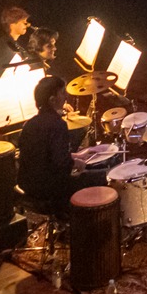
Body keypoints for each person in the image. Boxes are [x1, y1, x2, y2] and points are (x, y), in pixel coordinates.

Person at [18, 76, 95, 208]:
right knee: (101, 177)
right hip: (48, 189)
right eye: (63, 93)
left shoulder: (29, 124)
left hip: (27, 184)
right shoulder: (57, 124)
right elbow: (61, 163)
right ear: (52, 100)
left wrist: (75, 156)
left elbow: (43, 155)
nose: (66, 96)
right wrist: (77, 163)